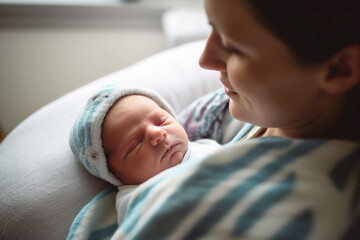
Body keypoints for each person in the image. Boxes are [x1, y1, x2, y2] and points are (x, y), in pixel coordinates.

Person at [111, 0, 360, 239]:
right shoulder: (233, 112)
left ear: (339, 69)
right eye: (212, 27)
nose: (204, 60)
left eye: (232, 47)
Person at [69, 86, 221, 223]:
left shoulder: (207, 145)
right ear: (114, 173)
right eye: (135, 145)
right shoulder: (135, 199)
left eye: (161, 121)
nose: (158, 134)